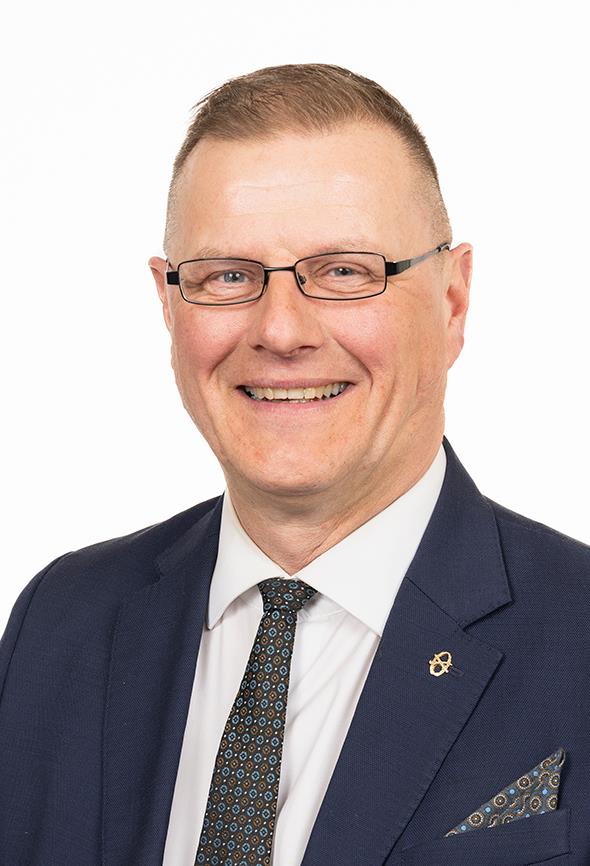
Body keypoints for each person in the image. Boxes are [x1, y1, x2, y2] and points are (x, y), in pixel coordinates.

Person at [0, 62, 588, 866]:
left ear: (452, 302)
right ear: (168, 304)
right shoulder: (61, 623)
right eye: (228, 276)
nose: (281, 331)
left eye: (345, 271)